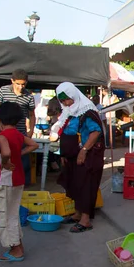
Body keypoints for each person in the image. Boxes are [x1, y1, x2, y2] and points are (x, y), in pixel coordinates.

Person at [51, 82, 104, 233]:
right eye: (62, 101)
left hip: (87, 155)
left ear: (74, 95)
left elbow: (95, 132)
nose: (66, 103)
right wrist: (64, 153)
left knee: (86, 184)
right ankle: (77, 214)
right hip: (72, 155)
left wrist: (84, 150)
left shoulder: (87, 111)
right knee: (74, 183)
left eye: (68, 100)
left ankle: (85, 220)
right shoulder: (68, 111)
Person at [0, 102, 38, 261]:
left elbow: (5, 151)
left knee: (5, 214)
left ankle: (15, 249)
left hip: (5, 180)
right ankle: (18, 245)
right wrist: (19, 154)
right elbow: (34, 144)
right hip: (18, 180)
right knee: (13, 213)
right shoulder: (18, 135)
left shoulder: (2, 135)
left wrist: (5, 161)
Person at [0, 69, 36, 185]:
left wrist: (31, 131)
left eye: (23, 84)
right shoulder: (3, 91)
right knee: (0, 161)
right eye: (18, 84)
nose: (21, 87)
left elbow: (32, 115)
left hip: (20, 133)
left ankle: (22, 187)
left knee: (22, 164)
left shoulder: (29, 96)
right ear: (12, 81)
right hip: (4, 131)